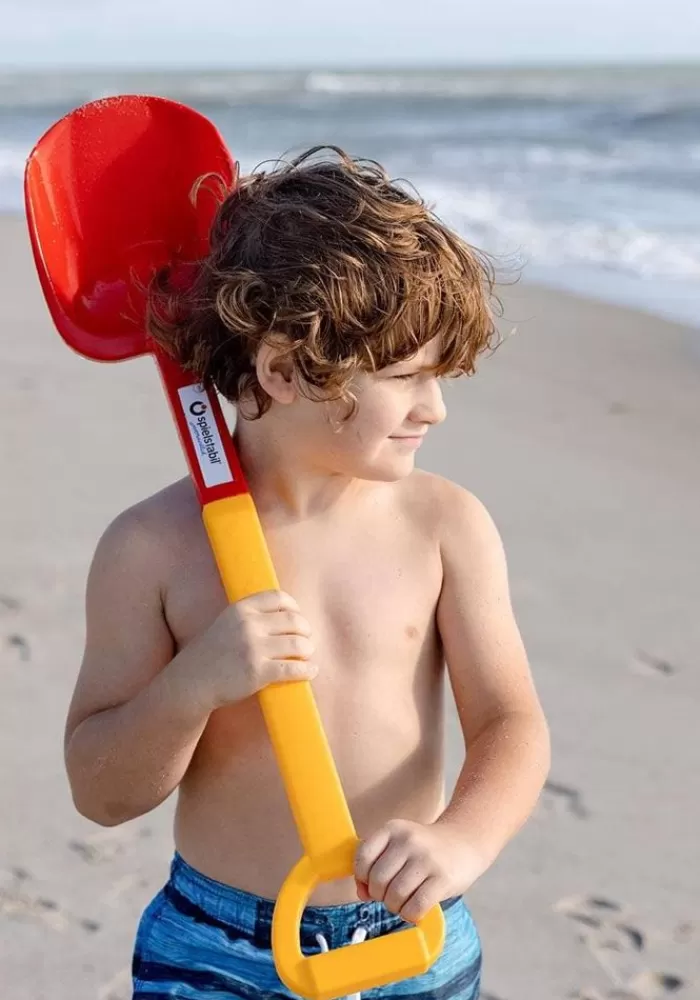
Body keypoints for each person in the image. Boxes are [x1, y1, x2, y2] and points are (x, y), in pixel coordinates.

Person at [62, 147, 551, 999]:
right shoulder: (152, 549)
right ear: (283, 370)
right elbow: (100, 792)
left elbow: (512, 723)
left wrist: (463, 841)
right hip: (219, 947)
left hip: (412, 937)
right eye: (406, 379)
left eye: (441, 377)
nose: (435, 408)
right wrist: (193, 685)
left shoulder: (444, 527)